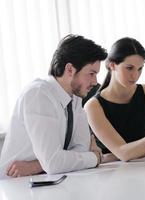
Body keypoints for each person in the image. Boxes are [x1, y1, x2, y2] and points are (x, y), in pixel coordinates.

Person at [0, 34, 107, 178]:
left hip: (49, 179)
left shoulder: (75, 97)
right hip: (15, 185)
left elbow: (80, 150)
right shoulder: (38, 95)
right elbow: (54, 163)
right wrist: (95, 158)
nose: (95, 82)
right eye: (91, 73)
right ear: (70, 70)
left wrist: (37, 165)